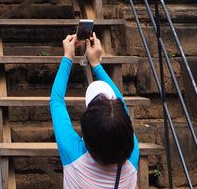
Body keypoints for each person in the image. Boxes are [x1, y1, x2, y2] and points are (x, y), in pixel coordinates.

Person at [50, 32, 139, 189]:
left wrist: (68, 57)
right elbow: (122, 107)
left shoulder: (74, 155)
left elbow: (57, 100)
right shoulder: (132, 158)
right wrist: (96, 64)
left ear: (86, 134)